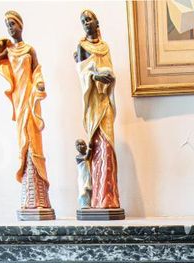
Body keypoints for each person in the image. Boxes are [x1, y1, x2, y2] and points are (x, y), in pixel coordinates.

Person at [0, 10, 52, 213]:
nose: (10, 28)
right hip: (19, 99)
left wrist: (40, 84)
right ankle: (29, 197)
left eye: (13, 24)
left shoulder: (29, 50)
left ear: (21, 25)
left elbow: (37, 72)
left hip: (31, 99)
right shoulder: (9, 51)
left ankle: (41, 198)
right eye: (7, 25)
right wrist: (1, 44)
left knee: (34, 139)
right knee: (23, 141)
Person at [74, 10, 120, 210]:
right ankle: (96, 199)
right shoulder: (82, 46)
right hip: (93, 103)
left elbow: (110, 71)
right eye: (83, 21)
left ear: (96, 22)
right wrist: (94, 76)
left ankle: (108, 198)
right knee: (96, 147)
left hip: (105, 101)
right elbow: (82, 73)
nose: (86, 23)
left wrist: (107, 77)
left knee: (107, 147)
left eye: (89, 19)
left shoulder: (105, 47)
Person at [74, 139, 92, 209]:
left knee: (89, 189)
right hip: (83, 177)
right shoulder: (78, 157)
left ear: (86, 146)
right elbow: (86, 158)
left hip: (88, 175)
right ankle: (84, 204)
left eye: (82, 144)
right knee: (84, 190)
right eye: (78, 145)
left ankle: (89, 203)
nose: (80, 146)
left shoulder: (88, 154)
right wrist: (90, 148)